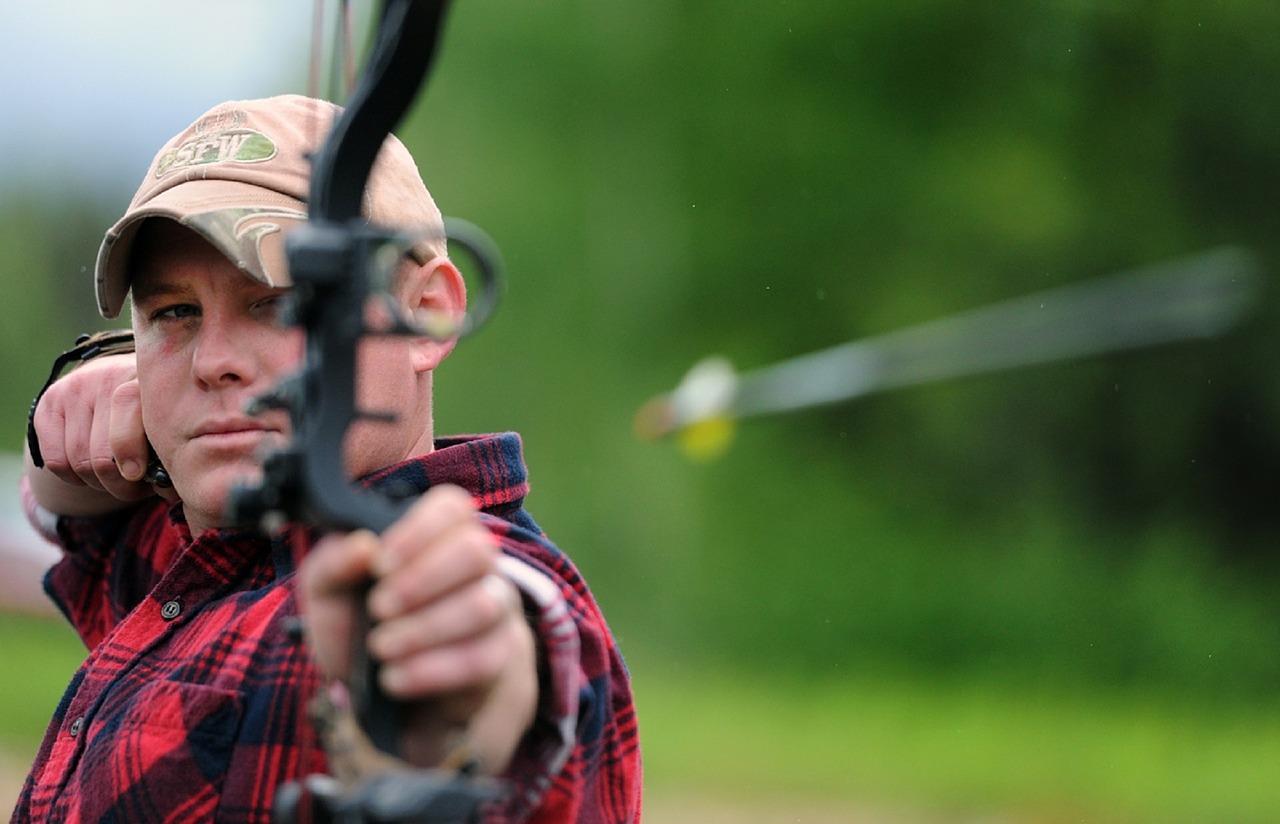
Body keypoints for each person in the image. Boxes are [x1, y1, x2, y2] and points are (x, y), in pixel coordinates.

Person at [14, 94, 641, 823]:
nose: (213, 361)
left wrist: (459, 697)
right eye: (173, 313)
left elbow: (524, 648)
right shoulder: (209, 550)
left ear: (426, 313)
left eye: (279, 303)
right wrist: (75, 405)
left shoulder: (485, 582)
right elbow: (60, 510)